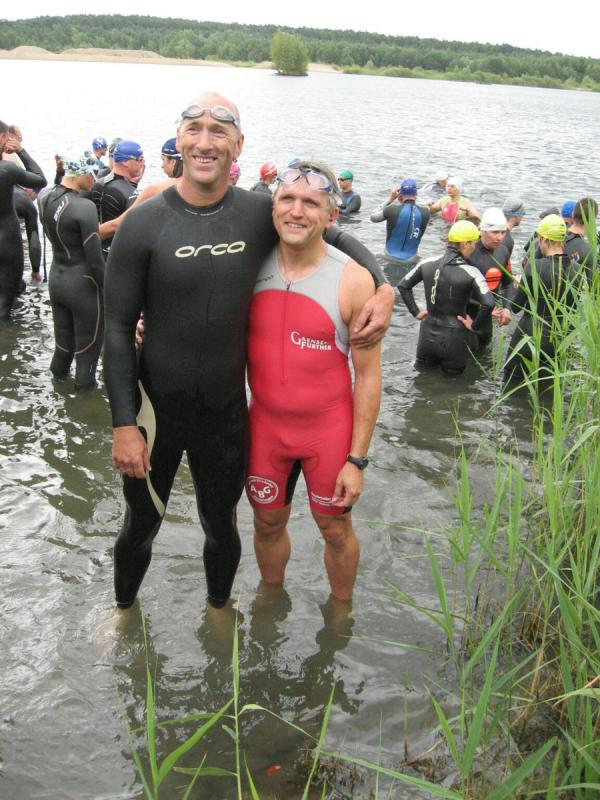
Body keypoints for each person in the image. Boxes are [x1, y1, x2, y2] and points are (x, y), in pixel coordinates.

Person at [103, 91, 394, 611]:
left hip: (225, 414)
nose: (206, 142)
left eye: (220, 131)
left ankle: (219, 611)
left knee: (223, 526)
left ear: (238, 145)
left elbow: (331, 236)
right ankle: (123, 613)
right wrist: (123, 423)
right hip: (154, 411)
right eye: (195, 129)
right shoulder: (145, 222)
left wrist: (384, 285)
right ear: (179, 139)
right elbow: (118, 329)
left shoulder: (258, 212)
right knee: (140, 524)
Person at [246, 161, 381, 601]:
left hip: (328, 432)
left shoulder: (354, 281)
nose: (296, 211)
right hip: (265, 428)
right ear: (273, 207)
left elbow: (368, 377)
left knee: (335, 528)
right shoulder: (249, 263)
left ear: (330, 215)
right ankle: (270, 600)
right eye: (287, 199)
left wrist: (357, 461)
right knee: (266, 523)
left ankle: (340, 612)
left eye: (311, 203)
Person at [39, 151, 105, 388]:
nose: (95, 181)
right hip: (83, 285)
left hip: (57, 281)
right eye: (93, 175)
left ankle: (57, 393)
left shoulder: (44, 197)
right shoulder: (84, 207)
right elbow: (96, 261)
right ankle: (85, 405)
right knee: (87, 355)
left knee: (63, 348)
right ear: (82, 174)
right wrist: (112, 292)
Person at [398, 220, 494, 374]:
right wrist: (474, 326)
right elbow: (489, 303)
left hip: (426, 334)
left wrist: (416, 312)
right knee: (452, 385)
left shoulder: (427, 263)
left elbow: (403, 286)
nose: (474, 248)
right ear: (465, 244)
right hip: (454, 337)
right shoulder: (472, 272)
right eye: (474, 244)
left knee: (421, 380)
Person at [504, 214, 581, 385]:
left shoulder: (534, 266)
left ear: (544, 239)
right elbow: (574, 308)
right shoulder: (577, 270)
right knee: (547, 388)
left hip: (529, 335)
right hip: (558, 340)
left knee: (512, 382)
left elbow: (516, 307)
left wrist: (517, 285)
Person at [0, 121, 47, 319]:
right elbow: (40, 179)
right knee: (5, 306)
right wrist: (20, 151)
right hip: (6, 240)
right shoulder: (6, 170)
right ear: (2, 137)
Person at [466, 207, 513, 346]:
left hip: (487, 317)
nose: (500, 237)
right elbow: (454, 290)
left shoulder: (503, 251)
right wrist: (486, 307)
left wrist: (507, 308)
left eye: (503, 232)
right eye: (495, 232)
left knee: (486, 354)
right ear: (482, 231)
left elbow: (508, 283)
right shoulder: (469, 252)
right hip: (466, 316)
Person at [92, 139, 144, 256]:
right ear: (125, 162)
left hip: (96, 252)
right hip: (119, 255)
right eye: (139, 159)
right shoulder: (129, 192)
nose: (142, 164)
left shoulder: (98, 184)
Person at [370, 178, 430, 266]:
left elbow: (373, 217)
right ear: (416, 193)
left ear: (400, 194)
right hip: (411, 260)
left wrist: (390, 199)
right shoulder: (426, 212)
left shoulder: (391, 209)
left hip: (388, 257)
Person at [564, 197, 597, 282]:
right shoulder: (587, 250)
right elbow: (592, 284)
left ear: (572, 214)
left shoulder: (554, 235)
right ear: (592, 221)